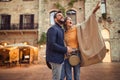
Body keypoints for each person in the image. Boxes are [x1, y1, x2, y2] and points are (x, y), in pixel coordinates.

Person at [60, 2, 101, 80]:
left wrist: (94, 11)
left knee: (77, 75)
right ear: (65, 23)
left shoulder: (77, 28)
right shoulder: (63, 32)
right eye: (69, 20)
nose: (71, 20)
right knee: (68, 76)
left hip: (76, 54)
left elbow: (87, 23)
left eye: (71, 19)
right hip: (67, 56)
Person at [46, 11, 73, 80]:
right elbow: (52, 45)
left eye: (62, 15)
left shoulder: (60, 29)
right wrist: (66, 49)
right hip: (55, 59)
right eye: (59, 15)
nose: (61, 16)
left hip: (60, 59)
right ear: (55, 19)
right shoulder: (53, 29)